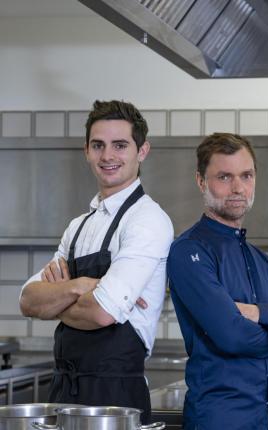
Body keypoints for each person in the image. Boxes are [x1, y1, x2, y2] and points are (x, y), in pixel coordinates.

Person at [19, 100, 174, 424]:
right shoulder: (78, 227)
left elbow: (101, 312)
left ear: (141, 151)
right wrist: (82, 285)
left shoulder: (147, 220)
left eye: (120, 145)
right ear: (86, 151)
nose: (107, 156)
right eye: (98, 145)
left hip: (115, 397)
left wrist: (60, 297)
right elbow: (29, 300)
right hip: (63, 390)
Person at [167, 133, 268, 430]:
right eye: (224, 177)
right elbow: (232, 336)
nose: (238, 188)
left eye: (246, 176)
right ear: (201, 181)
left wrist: (259, 313)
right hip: (219, 419)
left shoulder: (259, 259)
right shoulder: (189, 251)